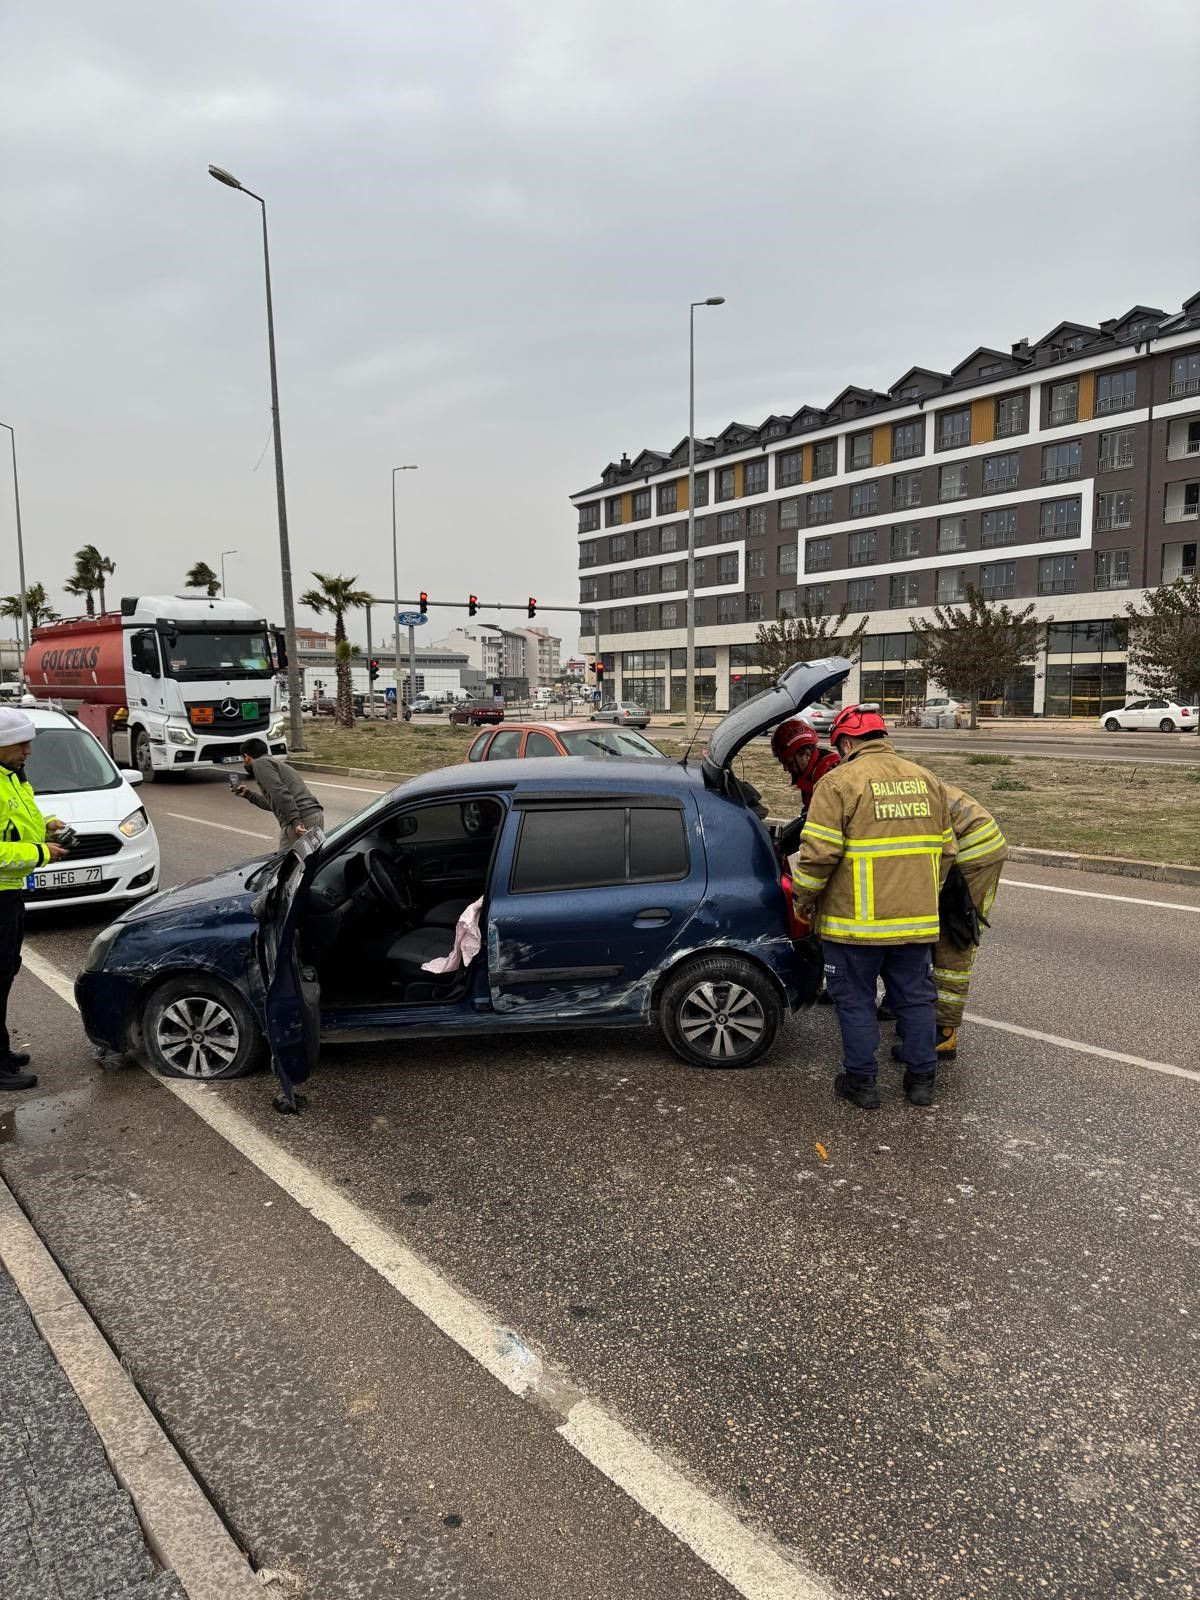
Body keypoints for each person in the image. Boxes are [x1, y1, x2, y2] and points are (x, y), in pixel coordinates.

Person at [789, 704, 955, 1110]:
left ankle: (862, 1084)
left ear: (846, 742)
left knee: (856, 1000)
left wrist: (803, 901)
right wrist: (920, 895)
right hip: (915, 922)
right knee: (915, 1000)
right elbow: (947, 852)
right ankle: (921, 1082)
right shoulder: (928, 780)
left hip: (855, 925)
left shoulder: (839, 782)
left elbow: (818, 856)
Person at [894, 780, 1007, 1064]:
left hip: (973, 853)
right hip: (971, 843)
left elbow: (940, 852)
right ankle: (925, 1018)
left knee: (954, 937)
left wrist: (930, 895)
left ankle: (943, 1033)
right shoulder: (899, 781)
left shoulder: (895, 790)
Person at [0, 706, 70, 1091]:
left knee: (6, 972)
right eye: (21, 743)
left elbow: (13, 824)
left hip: (10, 891)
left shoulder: (12, 776)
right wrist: (42, 852)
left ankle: (2, 1051)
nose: (28, 750)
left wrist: (47, 824)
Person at [233, 739, 324, 848]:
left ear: (246, 756)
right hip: (314, 815)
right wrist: (248, 794)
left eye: (244, 759)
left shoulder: (260, 763)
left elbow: (280, 793)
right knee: (309, 862)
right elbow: (276, 803)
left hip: (301, 819)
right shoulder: (275, 763)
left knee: (286, 862)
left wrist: (295, 821)